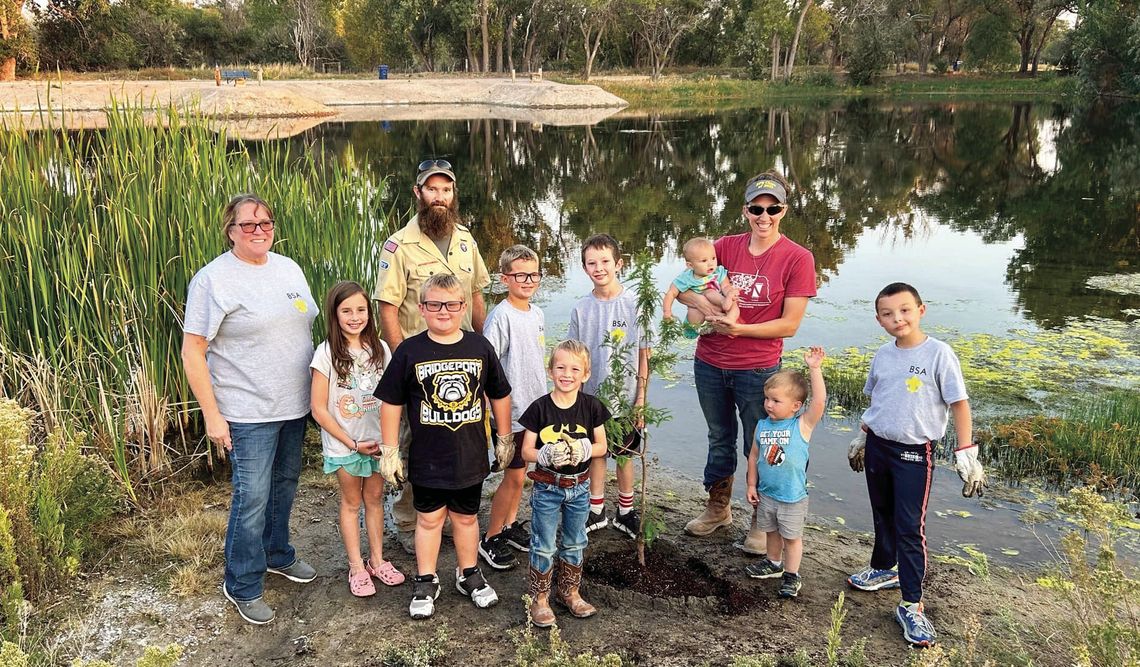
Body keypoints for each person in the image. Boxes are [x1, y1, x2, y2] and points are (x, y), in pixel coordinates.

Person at [181, 194, 318, 625]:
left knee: (285, 484)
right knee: (252, 496)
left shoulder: (288, 268)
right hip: (246, 410)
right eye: (248, 225)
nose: (259, 231)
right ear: (230, 231)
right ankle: (241, 581)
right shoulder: (214, 279)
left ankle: (278, 553)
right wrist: (212, 414)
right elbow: (192, 351)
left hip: (293, 405)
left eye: (265, 223)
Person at [845, 282, 987, 647]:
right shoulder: (882, 355)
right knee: (882, 513)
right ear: (879, 320)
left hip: (914, 453)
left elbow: (959, 404)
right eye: (888, 314)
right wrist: (862, 435)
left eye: (905, 310)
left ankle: (912, 604)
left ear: (921, 310)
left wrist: (965, 449)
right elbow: (877, 398)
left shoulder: (939, 354)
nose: (898, 319)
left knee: (910, 526)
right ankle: (883, 568)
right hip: (878, 446)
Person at [681, 171, 817, 548]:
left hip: (758, 368)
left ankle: (762, 519)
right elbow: (683, 288)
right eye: (757, 208)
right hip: (710, 362)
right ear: (745, 210)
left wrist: (740, 331)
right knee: (719, 437)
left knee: (761, 442)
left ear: (783, 210)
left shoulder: (797, 258)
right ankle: (718, 506)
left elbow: (789, 325)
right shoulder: (723, 246)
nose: (764, 215)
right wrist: (703, 308)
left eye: (772, 208)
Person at [373, 273, 513, 620]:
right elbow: (390, 402)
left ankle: (469, 574)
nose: (443, 311)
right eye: (434, 305)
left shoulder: (479, 347)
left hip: (470, 455)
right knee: (429, 519)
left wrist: (505, 436)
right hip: (428, 458)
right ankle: (426, 578)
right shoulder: (409, 350)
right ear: (421, 308)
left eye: (451, 305)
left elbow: (500, 393)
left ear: (463, 307)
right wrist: (389, 450)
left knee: (466, 519)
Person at [372, 158, 492, 554]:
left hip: (463, 360)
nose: (439, 197)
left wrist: (482, 343)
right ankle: (410, 521)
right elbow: (387, 307)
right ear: (417, 193)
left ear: (453, 194)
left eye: (446, 190)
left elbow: (476, 294)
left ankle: (447, 516)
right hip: (418, 364)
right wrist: (399, 358)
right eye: (432, 189)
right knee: (413, 442)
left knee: (458, 437)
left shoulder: (465, 240)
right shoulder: (399, 245)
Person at [309, 281, 405, 597]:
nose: (355, 317)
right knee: (352, 502)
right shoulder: (325, 354)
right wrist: (350, 443)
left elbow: (394, 398)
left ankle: (377, 559)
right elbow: (319, 409)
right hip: (345, 445)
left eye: (361, 310)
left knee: (375, 499)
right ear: (335, 315)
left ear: (369, 312)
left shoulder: (381, 349)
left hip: (377, 443)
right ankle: (356, 565)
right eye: (346, 311)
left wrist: (389, 442)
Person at [519, 340, 610, 627]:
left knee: (575, 541)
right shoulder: (539, 408)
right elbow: (526, 451)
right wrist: (543, 453)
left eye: (574, 369)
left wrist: (585, 449)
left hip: (580, 487)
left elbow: (602, 447)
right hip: (547, 486)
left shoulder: (592, 407)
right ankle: (539, 597)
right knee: (543, 544)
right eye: (560, 367)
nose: (566, 374)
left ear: (585, 374)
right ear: (550, 370)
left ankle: (569, 591)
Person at [567, 234, 650, 539]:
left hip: (626, 398)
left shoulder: (635, 305)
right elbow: (574, 353)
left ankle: (625, 511)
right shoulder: (581, 309)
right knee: (596, 455)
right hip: (591, 400)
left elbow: (644, 353)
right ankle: (597, 508)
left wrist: (640, 397)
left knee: (625, 454)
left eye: (605, 261)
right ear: (585, 268)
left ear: (619, 264)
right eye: (592, 263)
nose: (599, 268)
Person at [477, 245, 546, 571]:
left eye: (533, 274)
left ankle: (508, 526)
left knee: (523, 477)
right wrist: (496, 420)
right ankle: (489, 538)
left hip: (535, 411)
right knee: (514, 477)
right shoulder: (501, 316)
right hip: (511, 413)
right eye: (520, 275)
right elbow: (488, 367)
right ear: (505, 278)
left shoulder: (536, 313)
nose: (528, 280)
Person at [743, 347, 826, 599]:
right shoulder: (762, 425)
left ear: (795, 406)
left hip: (791, 497)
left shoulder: (801, 425)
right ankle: (773, 563)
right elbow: (754, 456)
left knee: (791, 537)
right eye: (767, 398)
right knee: (771, 532)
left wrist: (815, 369)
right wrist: (750, 485)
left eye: (776, 401)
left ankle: (792, 575)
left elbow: (820, 402)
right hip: (767, 493)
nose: (768, 404)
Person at [663, 236, 740, 337]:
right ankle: (695, 329)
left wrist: (730, 292)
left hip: (719, 301)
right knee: (694, 314)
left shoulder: (718, 272)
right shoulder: (686, 278)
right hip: (697, 308)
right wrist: (667, 311)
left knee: (731, 303)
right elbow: (671, 293)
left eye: (713, 258)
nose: (710, 264)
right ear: (690, 265)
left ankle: (730, 320)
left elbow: (726, 286)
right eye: (704, 261)